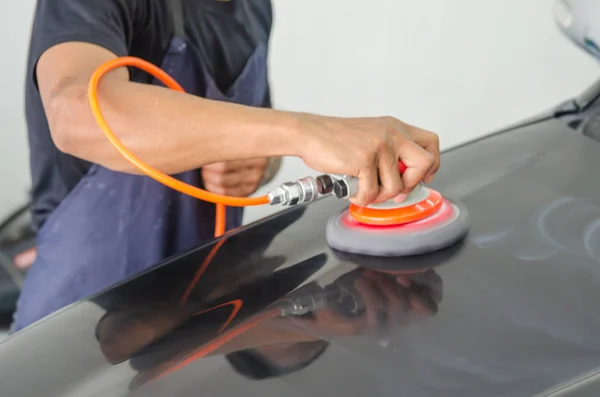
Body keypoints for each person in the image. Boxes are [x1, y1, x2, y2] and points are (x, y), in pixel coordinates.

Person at [13, 0, 440, 331]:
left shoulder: (254, 7)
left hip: (198, 318)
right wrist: (307, 132)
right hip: (79, 332)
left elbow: (257, 132)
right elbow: (76, 114)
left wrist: (263, 163)